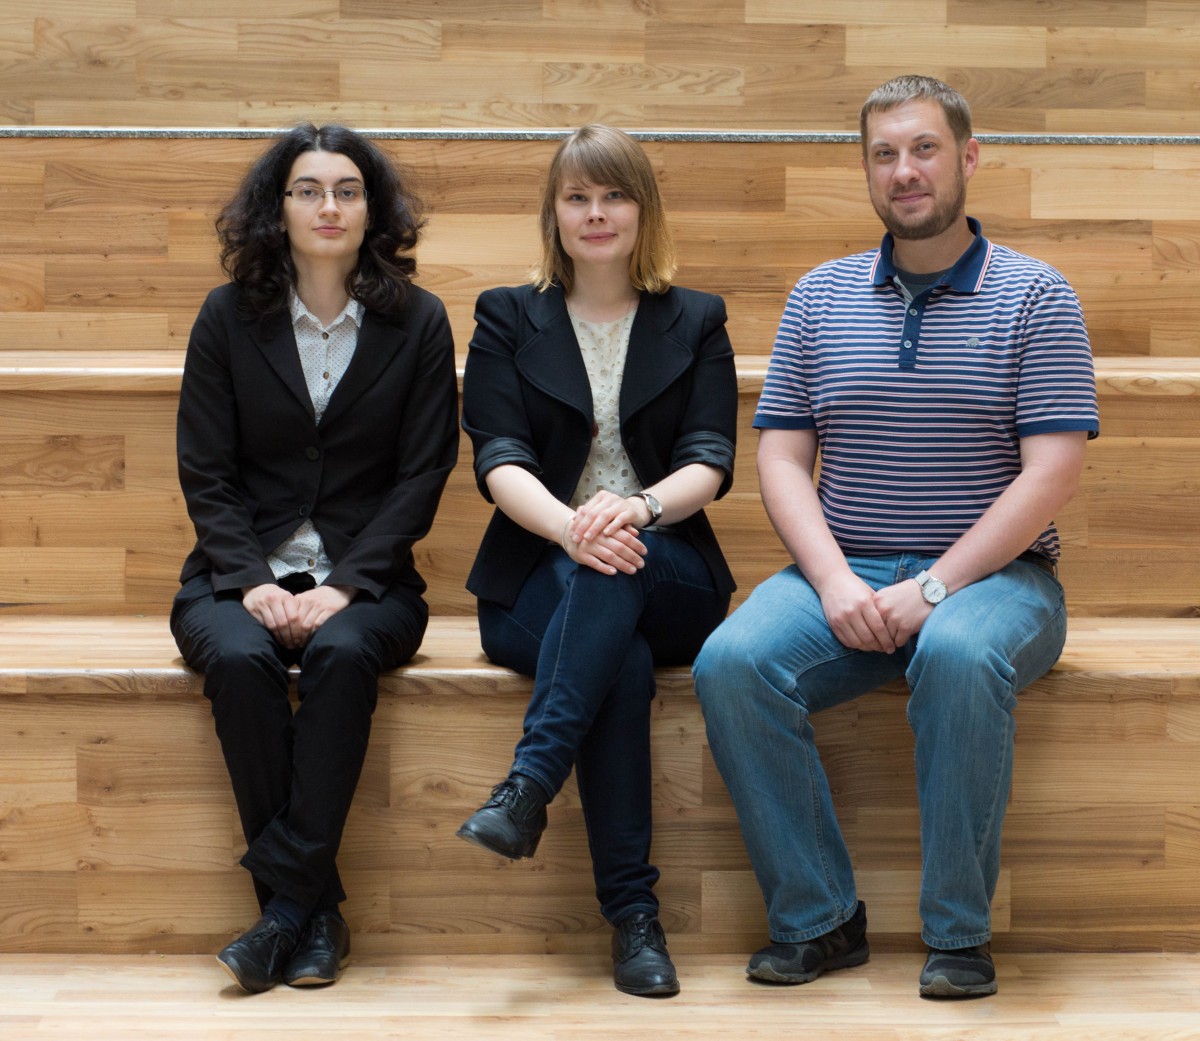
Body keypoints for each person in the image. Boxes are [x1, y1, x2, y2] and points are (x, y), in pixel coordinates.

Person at [692, 76, 1099, 999]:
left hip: (1000, 581)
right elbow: (782, 459)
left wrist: (934, 587)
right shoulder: (819, 295)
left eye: (924, 149)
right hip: (849, 570)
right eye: (884, 154)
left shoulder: (1036, 294)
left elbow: (1052, 474)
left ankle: (959, 934)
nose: (904, 171)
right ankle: (820, 918)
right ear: (868, 171)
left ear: (968, 157)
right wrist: (834, 580)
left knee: (955, 652)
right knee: (732, 662)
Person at [170, 124, 458, 993]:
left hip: (371, 582)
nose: (328, 206)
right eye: (307, 190)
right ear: (279, 208)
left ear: (373, 210)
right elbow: (206, 470)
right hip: (235, 571)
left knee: (340, 654)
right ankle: (313, 911)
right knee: (238, 658)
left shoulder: (419, 321)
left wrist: (349, 585)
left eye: (347, 190)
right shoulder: (226, 317)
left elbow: (422, 474)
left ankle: (283, 916)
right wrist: (250, 581)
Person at [455, 124, 738, 997]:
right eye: (577, 196)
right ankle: (635, 920)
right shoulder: (508, 315)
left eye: (614, 194)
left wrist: (639, 509)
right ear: (554, 213)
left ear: (643, 209)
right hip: (536, 573)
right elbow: (499, 458)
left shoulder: (696, 318)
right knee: (617, 654)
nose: (596, 212)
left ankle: (529, 783)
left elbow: (709, 459)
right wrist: (571, 529)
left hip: (670, 568)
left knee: (619, 569)